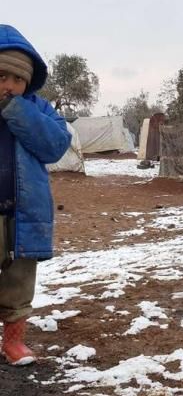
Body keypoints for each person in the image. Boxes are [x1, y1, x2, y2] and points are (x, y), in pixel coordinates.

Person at [0, 24, 71, 365]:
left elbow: (55, 145)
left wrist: (18, 111)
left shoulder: (37, 109)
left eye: (17, 80)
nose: (9, 86)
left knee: (19, 280)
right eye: (1, 76)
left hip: (24, 212)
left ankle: (13, 342)